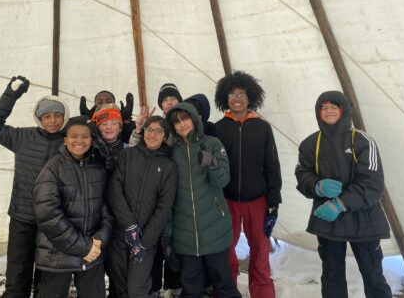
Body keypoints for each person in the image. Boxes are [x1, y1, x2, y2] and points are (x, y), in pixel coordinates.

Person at [295, 91, 392, 298]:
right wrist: (317, 186)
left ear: (343, 110)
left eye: (333, 107)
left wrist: (341, 203)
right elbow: (303, 174)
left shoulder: (363, 140)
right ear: (318, 112)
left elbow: (373, 183)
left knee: (373, 275)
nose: (328, 111)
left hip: (364, 220)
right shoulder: (310, 144)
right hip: (328, 223)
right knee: (332, 277)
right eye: (324, 107)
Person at [0, 75, 69, 297]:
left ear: (65, 117)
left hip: (54, 221)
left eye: (57, 116)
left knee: (47, 277)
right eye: (47, 116)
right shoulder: (22, 137)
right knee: (17, 276)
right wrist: (11, 95)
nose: (52, 121)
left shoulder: (71, 140)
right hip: (23, 218)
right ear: (38, 117)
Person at [214, 71, 282, 298]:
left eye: (242, 94)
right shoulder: (218, 128)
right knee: (225, 250)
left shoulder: (262, 127)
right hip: (228, 200)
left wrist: (274, 201)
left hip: (258, 200)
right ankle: (226, 292)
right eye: (232, 94)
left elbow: (272, 165)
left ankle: (262, 293)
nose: (237, 99)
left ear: (250, 97)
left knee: (260, 251)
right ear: (226, 98)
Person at [166, 102, 241, 298]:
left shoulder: (213, 143)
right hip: (185, 233)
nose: (182, 125)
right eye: (177, 122)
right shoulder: (172, 151)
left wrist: (213, 164)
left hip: (214, 227)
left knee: (224, 283)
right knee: (191, 287)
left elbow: (223, 179)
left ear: (194, 119)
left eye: (185, 119)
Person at [33, 116, 113, 298]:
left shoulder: (97, 167)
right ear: (66, 140)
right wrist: (82, 247)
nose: (80, 141)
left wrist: (99, 239)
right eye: (74, 136)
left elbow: (106, 208)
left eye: (85, 136)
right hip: (58, 255)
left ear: (91, 140)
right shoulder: (52, 168)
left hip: (93, 253)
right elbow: (48, 215)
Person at [106, 115, 178, 297]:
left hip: (146, 239)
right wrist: (129, 224)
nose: (152, 134)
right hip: (120, 234)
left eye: (158, 131)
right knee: (120, 286)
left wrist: (144, 243)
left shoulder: (169, 166)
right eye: (149, 130)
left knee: (137, 289)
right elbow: (114, 189)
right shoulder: (127, 155)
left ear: (165, 135)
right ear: (143, 132)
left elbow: (164, 207)